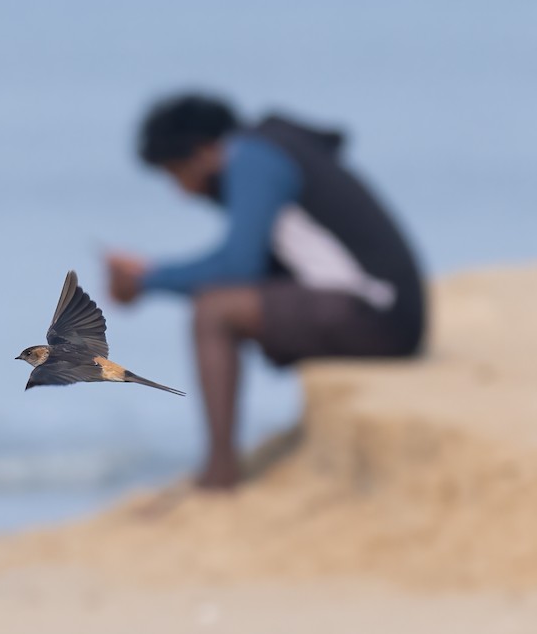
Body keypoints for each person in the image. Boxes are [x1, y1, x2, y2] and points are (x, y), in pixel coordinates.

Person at [106, 93, 426, 490]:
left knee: (215, 311)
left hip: (379, 316)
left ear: (204, 152)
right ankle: (224, 468)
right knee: (230, 302)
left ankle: (219, 475)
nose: (182, 192)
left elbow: (238, 267)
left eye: (177, 172)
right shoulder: (270, 150)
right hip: (389, 314)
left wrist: (146, 279)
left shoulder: (253, 160)